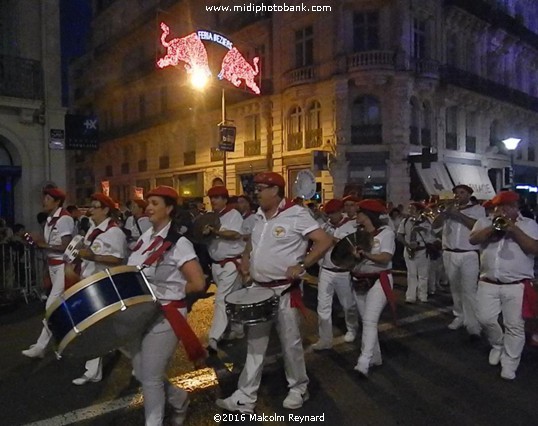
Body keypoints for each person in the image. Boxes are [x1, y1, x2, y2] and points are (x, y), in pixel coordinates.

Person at [216, 172, 332, 413]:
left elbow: (323, 240)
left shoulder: (297, 214)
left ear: (276, 191)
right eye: (255, 188)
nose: (256, 192)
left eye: (261, 188)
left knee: (291, 344)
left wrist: (302, 265)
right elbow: (252, 244)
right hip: (259, 291)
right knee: (255, 345)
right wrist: (247, 259)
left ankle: (299, 387)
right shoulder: (258, 217)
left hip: (285, 291)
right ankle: (245, 397)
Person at [124, 186, 206, 425]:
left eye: (155, 203)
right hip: (143, 312)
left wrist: (172, 293)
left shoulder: (179, 243)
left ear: (169, 208)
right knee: (142, 372)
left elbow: (198, 282)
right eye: (148, 202)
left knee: (150, 379)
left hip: (167, 315)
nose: (148, 207)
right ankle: (179, 398)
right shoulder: (145, 238)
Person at [469, 191, 538, 380]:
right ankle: (498, 344)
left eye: (507, 206)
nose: (502, 210)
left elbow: (534, 249)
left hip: (517, 284)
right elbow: (473, 239)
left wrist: (513, 230)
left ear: (516, 208)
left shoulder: (529, 224)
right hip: (487, 282)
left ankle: (510, 362)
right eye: (499, 207)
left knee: (514, 326)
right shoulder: (485, 222)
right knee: (484, 319)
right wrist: (492, 228)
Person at [71, 193, 128, 385]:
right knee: (103, 328)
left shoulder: (114, 232)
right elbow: (88, 252)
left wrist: (92, 257)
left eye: (95, 207)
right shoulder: (93, 230)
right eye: (91, 206)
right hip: (91, 281)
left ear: (105, 210)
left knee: (96, 328)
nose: (91, 210)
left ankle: (93, 372)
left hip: (105, 284)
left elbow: (118, 259)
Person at [22, 187, 75, 358]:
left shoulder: (64, 219)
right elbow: (48, 244)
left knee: (51, 306)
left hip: (63, 267)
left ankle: (41, 346)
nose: (44, 200)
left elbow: (65, 246)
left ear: (57, 201)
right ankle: (60, 343)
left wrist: (43, 244)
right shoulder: (51, 219)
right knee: (61, 308)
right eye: (44, 197)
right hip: (53, 266)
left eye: (48, 198)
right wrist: (35, 240)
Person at [432, 185, 485, 338]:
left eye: (462, 193)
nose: (458, 196)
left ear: (469, 194)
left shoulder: (477, 209)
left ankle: (473, 323)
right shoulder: (448, 209)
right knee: (455, 287)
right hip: (449, 253)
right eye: (456, 193)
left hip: (469, 253)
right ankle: (459, 315)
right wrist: (444, 213)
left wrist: (458, 215)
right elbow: (435, 226)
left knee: (469, 289)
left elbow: (476, 226)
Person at [350, 199, 396, 377]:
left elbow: (385, 258)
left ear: (367, 215)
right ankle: (375, 357)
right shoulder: (358, 233)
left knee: (369, 321)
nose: (356, 214)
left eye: (359, 212)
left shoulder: (386, 233)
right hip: (359, 281)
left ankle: (364, 361)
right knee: (367, 322)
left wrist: (365, 255)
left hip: (379, 280)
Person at [312, 198, 358, 350]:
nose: (330, 216)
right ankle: (325, 338)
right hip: (326, 270)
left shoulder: (352, 226)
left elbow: (354, 248)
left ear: (340, 211)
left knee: (348, 305)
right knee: (323, 306)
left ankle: (352, 329)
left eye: (333, 213)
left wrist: (334, 240)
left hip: (343, 272)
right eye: (328, 213)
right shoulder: (324, 227)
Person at [204, 185, 245, 351]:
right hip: (217, 264)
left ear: (224, 199)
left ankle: (214, 336)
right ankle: (238, 329)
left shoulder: (233, 214)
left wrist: (214, 231)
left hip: (231, 263)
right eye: (211, 197)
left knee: (221, 298)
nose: (213, 200)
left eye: (217, 197)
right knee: (233, 298)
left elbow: (234, 234)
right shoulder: (212, 216)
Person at [397, 202, 434, 303]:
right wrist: (407, 244)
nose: (410, 210)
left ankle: (422, 295)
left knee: (423, 274)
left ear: (418, 210)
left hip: (422, 250)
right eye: (409, 208)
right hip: (409, 250)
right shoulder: (405, 221)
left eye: (412, 208)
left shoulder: (426, 221)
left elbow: (432, 236)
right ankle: (411, 296)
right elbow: (400, 235)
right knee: (411, 274)